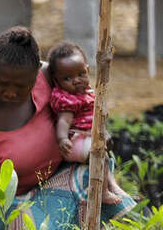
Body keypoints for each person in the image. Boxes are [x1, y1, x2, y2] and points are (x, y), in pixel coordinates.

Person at [0, 27, 135, 230]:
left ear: (38, 71)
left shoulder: (52, 77)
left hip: (38, 187)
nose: (11, 92)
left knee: (96, 167)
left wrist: (100, 135)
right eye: (2, 83)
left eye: (22, 86)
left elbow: (83, 106)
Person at [47, 41, 125, 205]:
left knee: (105, 156)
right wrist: (62, 139)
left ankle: (111, 186)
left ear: (88, 70)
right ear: (56, 81)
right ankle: (100, 191)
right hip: (74, 143)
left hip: (85, 139)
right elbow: (63, 121)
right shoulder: (68, 99)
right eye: (67, 78)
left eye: (81, 74)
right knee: (100, 156)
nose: (76, 81)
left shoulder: (86, 92)